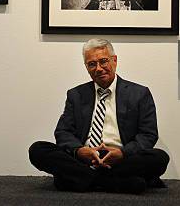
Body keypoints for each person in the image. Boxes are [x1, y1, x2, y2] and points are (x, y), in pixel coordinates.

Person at [29, 39, 169, 194]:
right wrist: (79, 151)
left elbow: (148, 135)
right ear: (86, 67)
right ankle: (115, 183)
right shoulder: (76, 95)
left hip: (122, 159)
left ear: (114, 61)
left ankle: (82, 180)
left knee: (159, 158)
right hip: (84, 160)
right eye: (92, 64)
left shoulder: (139, 94)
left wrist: (122, 153)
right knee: (38, 149)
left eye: (103, 61)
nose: (99, 68)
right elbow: (63, 132)